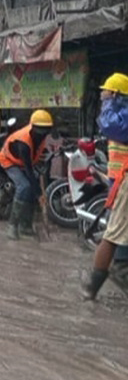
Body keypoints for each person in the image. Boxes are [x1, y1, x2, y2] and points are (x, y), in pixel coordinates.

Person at [83, 73, 128, 299]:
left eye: (106, 93)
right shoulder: (120, 116)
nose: (102, 96)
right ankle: (101, 282)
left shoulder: (121, 115)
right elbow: (110, 126)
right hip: (123, 182)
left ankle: (94, 287)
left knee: (115, 231)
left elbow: (109, 125)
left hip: (121, 182)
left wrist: (110, 103)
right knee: (114, 232)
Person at [0, 109, 53, 240]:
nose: (42, 135)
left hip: (25, 162)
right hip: (9, 160)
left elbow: (36, 155)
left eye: (45, 131)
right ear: (33, 128)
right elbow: (28, 171)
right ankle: (12, 225)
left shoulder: (40, 137)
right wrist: (39, 194)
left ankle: (26, 225)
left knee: (31, 190)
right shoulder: (23, 142)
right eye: (40, 131)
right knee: (24, 186)